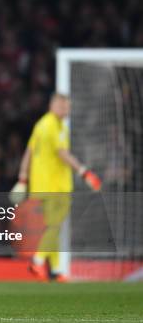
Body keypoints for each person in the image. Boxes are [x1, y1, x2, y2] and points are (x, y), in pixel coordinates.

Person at [11, 93, 101, 281]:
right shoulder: (55, 126)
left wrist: (22, 178)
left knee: (53, 227)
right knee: (55, 226)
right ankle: (37, 261)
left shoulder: (41, 125)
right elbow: (63, 154)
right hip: (56, 186)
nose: (67, 110)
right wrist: (84, 172)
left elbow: (28, 152)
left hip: (41, 185)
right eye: (65, 106)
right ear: (55, 105)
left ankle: (55, 270)